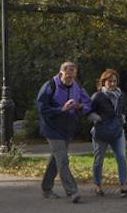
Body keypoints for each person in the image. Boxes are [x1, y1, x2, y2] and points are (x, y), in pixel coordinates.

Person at [36, 60, 88, 202]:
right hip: (52, 128)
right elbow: (42, 108)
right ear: (61, 73)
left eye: (73, 76)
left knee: (56, 159)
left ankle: (46, 188)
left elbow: (88, 103)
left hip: (67, 128)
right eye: (67, 76)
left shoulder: (77, 87)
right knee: (63, 160)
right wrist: (61, 109)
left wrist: (79, 106)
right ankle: (72, 191)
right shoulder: (49, 86)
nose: (70, 78)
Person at [88, 68, 127, 197]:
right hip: (101, 132)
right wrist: (98, 119)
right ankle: (97, 185)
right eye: (109, 81)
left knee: (122, 157)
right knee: (99, 159)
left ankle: (124, 186)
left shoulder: (121, 96)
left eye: (114, 81)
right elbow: (88, 112)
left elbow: (123, 110)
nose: (112, 84)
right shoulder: (98, 96)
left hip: (117, 131)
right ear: (103, 82)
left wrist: (122, 119)